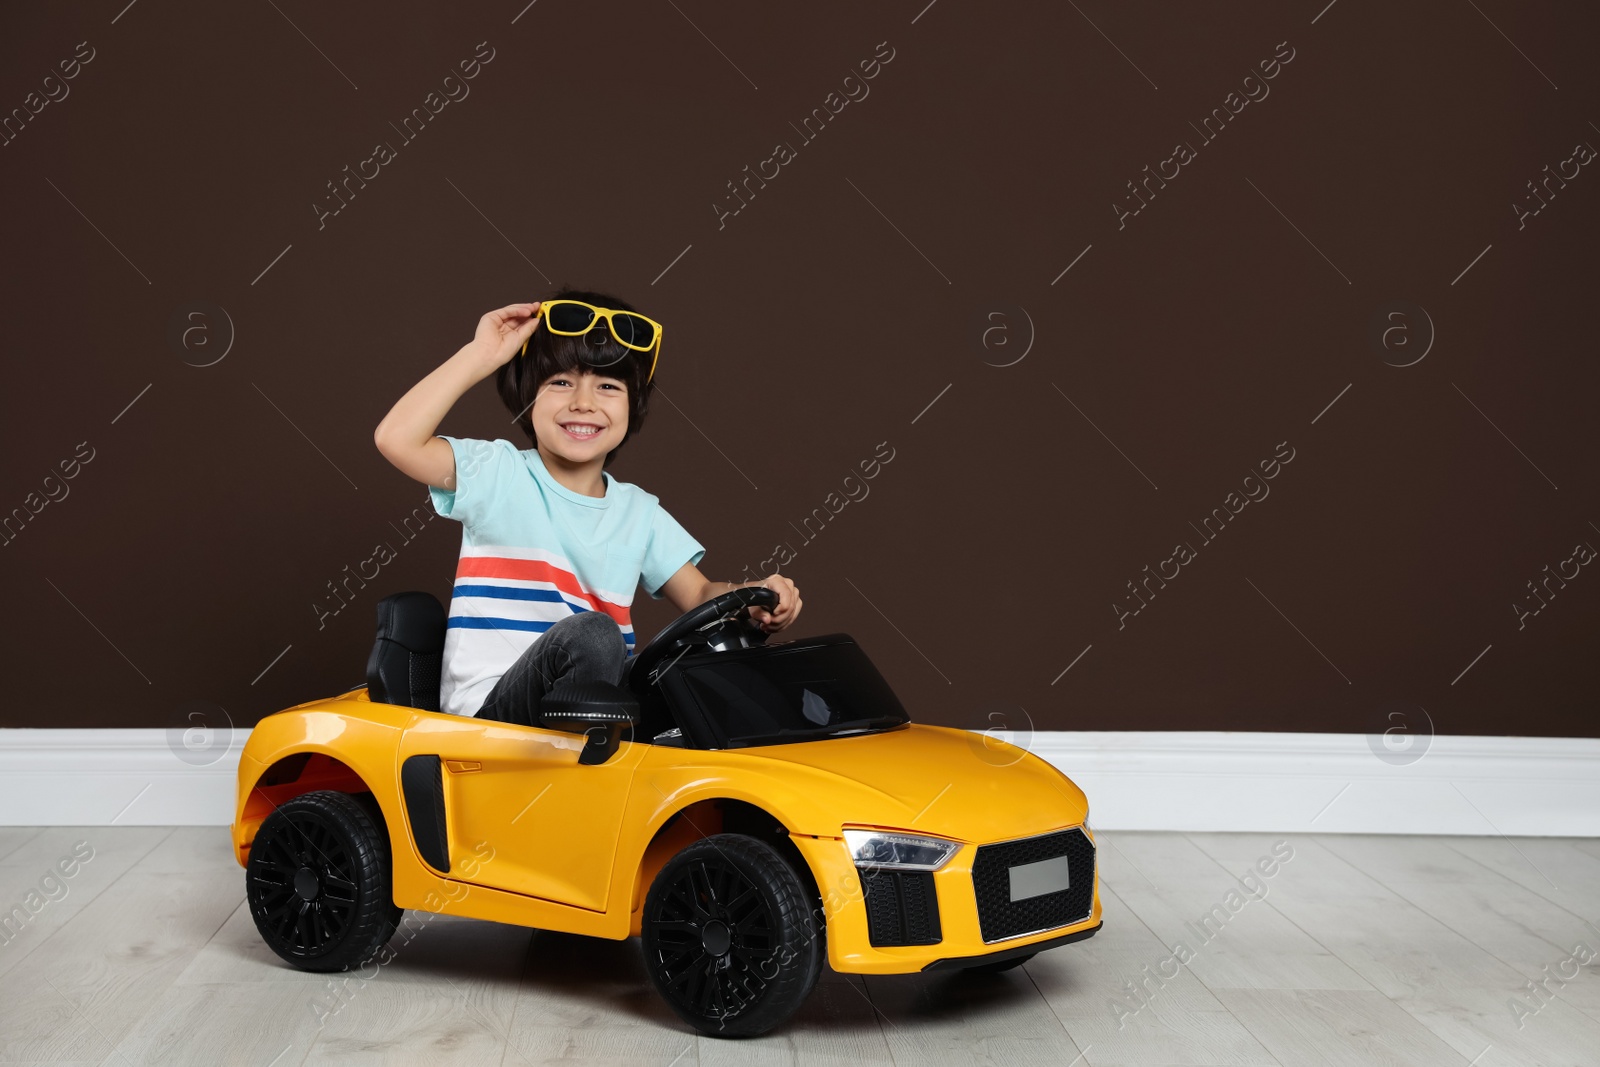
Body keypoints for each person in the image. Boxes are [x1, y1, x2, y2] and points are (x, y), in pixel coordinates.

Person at [374, 289, 801, 724]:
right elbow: (397, 438)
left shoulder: (640, 512)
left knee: (683, 667)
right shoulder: (498, 474)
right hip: (494, 714)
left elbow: (700, 596)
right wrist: (480, 354)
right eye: (561, 382)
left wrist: (750, 599)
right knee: (596, 632)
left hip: (597, 703)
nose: (584, 402)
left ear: (632, 408)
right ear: (527, 394)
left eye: (608, 386)